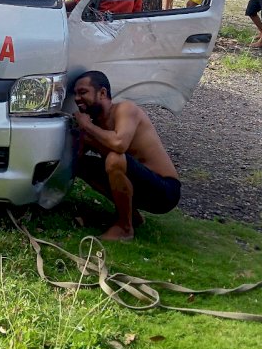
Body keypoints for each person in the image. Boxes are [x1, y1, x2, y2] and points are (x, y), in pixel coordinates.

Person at [71, 71, 181, 241]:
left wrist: (86, 126)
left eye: (83, 92)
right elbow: (75, 156)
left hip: (164, 191)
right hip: (137, 185)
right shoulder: (96, 126)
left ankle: (124, 227)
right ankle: (132, 217)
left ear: (102, 93)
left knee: (115, 158)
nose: (77, 98)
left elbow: (119, 144)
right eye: (75, 94)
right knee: (81, 165)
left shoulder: (125, 109)